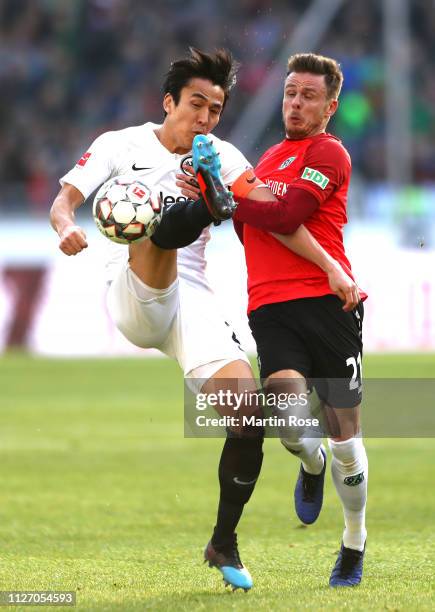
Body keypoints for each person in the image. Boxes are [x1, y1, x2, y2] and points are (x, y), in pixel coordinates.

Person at [50, 48, 359, 591]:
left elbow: (277, 219)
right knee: (161, 223)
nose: (206, 119)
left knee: (248, 414)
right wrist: (64, 226)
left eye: (216, 110)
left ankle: (223, 542)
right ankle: (204, 205)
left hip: (192, 299)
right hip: (136, 286)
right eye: (197, 105)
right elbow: (65, 200)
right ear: (169, 102)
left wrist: (330, 265)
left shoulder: (223, 153)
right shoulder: (119, 145)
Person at [189, 53, 368, 588]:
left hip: (328, 304)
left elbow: (285, 216)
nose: (295, 102)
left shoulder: (329, 153)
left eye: (307, 96)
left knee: (346, 439)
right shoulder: (266, 160)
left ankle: (353, 543)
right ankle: (308, 463)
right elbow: (251, 226)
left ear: (329, 106)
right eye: (290, 92)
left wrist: (230, 199)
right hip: (269, 306)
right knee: (291, 421)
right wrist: (221, 194)